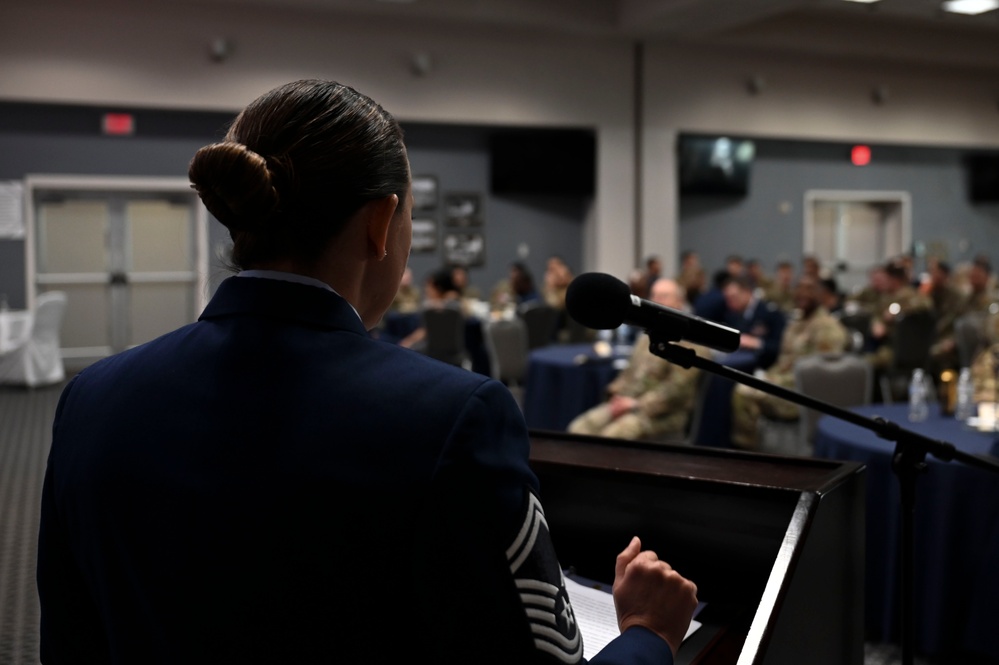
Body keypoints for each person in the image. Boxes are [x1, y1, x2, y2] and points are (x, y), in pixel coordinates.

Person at [36, 79, 697, 665]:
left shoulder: (90, 400)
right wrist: (647, 632)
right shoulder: (453, 418)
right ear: (381, 223)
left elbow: (70, 641)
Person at [568, 279, 707, 440]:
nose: (657, 300)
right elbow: (629, 372)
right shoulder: (648, 335)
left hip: (662, 414)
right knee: (578, 429)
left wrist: (635, 404)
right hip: (628, 403)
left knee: (609, 439)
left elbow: (676, 391)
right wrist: (617, 395)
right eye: (654, 295)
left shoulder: (692, 342)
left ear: (680, 301)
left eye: (664, 296)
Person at [730, 275, 848, 450]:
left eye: (809, 290)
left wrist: (775, 381)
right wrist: (769, 377)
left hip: (802, 393)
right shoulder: (796, 324)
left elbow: (821, 377)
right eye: (799, 289)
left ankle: (747, 451)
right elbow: (784, 361)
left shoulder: (827, 327)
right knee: (741, 385)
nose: (802, 294)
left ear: (820, 294)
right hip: (784, 383)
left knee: (743, 394)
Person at [722, 275, 786, 371]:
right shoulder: (732, 314)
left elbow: (780, 347)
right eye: (727, 299)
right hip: (739, 356)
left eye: (733, 297)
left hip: (764, 364)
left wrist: (757, 343)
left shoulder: (770, 313)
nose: (729, 303)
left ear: (747, 292)